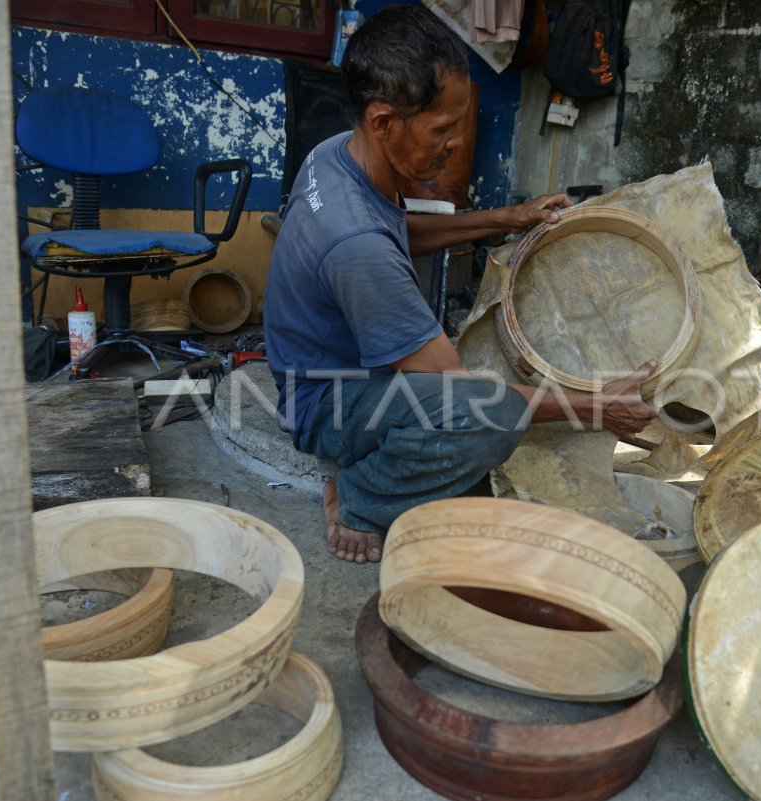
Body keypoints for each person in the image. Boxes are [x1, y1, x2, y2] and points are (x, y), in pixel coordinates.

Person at [264, 5, 655, 565]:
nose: (454, 142)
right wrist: (596, 408)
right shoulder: (356, 246)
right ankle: (356, 497)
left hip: (322, 369)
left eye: (459, 124)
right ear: (383, 121)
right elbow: (465, 399)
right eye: (442, 129)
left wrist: (506, 217)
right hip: (325, 404)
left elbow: (398, 230)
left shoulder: (336, 156)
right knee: (485, 420)